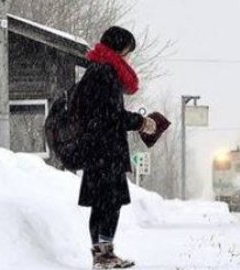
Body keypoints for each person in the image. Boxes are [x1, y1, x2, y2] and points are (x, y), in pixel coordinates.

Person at [76, 26, 156, 269]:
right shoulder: (106, 73)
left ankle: (101, 256)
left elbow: (99, 114)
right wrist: (142, 122)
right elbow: (112, 116)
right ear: (118, 49)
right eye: (127, 52)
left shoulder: (95, 71)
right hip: (106, 151)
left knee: (101, 204)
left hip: (95, 150)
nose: (128, 58)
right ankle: (104, 256)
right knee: (109, 203)